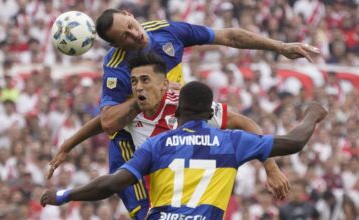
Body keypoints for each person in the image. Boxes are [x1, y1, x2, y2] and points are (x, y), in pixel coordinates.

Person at [49, 8, 320, 218]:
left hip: (171, 116)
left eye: (131, 26)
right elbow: (108, 122)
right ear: (117, 46)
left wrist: (281, 47)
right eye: (126, 37)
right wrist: (139, 100)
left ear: (130, 16)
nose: (135, 35)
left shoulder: (166, 32)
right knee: (144, 209)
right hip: (131, 143)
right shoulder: (117, 68)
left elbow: (229, 36)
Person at [40, 81, 328, 220]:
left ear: (177, 112)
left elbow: (113, 183)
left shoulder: (157, 144)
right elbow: (295, 142)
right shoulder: (232, 141)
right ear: (210, 113)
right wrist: (312, 115)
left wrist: (66, 194)